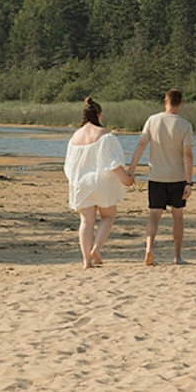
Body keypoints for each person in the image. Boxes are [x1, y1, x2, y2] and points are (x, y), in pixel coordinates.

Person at [63, 97, 134, 270]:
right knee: (108, 216)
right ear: (99, 115)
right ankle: (96, 250)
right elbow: (112, 162)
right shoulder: (104, 134)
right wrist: (125, 178)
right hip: (101, 182)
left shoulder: (75, 137)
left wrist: (74, 181)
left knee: (86, 222)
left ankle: (86, 262)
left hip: (81, 182)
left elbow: (69, 166)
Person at [126, 88, 194, 266]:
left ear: (166, 101)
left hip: (156, 175)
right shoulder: (185, 125)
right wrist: (189, 182)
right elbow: (187, 155)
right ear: (180, 103)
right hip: (177, 177)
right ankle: (177, 256)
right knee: (177, 215)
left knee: (154, 214)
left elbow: (141, 144)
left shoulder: (152, 120)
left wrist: (131, 170)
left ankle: (149, 248)